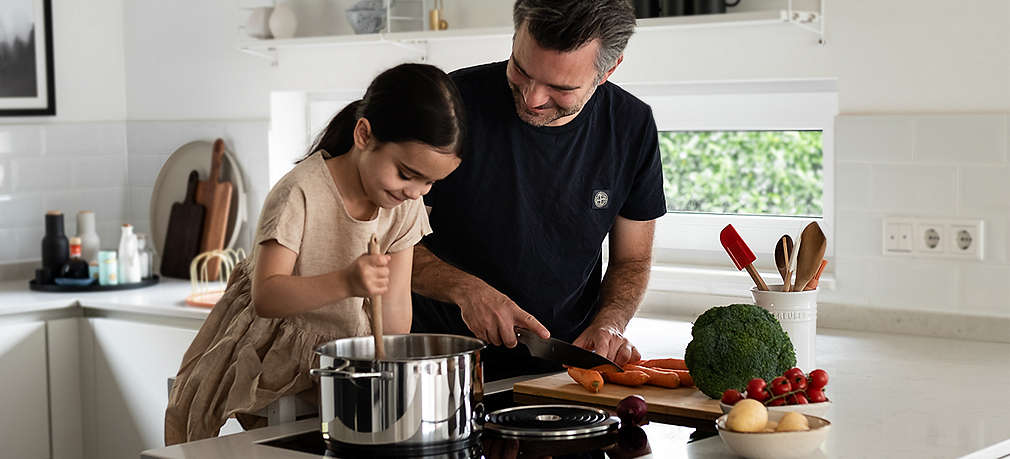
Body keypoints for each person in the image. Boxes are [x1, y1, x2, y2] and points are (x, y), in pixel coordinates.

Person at [164, 63, 465, 444]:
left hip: (341, 352)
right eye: (406, 174)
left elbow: (394, 321)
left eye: (430, 182)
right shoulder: (300, 193)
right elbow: (267, 297)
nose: (415, 191)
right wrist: (347, 281)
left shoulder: (404, 206)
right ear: (363, 135)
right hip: (273, 346)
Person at [410, 0, 666, 381]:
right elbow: (388, 244)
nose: (532, 98)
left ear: (608, 70)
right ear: (516, 38)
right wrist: (467, 291)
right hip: (441, 367)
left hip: (564, 376)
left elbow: (631, 260)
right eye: (521, 70)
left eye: (560, 88)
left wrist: (610, 324)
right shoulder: (450, 106)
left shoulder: (632, 126)